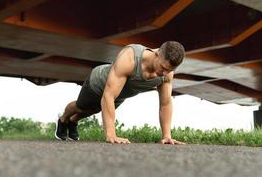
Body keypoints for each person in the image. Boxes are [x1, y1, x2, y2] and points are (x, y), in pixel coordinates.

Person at [55, 41, 186, 144]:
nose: (164, 73)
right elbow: (108, 95)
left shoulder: (167, 74)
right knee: (81, 107)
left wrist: (167, 136)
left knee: (93, 110)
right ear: (157, 53)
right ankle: (63, 119)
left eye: (168, 70)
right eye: (163, 67)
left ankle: (73, 121)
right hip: (98, 83)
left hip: (119, 95)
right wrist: (111, 134)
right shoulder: (130, 58)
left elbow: (165, 104)